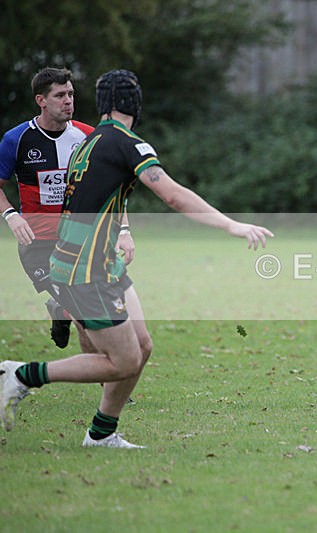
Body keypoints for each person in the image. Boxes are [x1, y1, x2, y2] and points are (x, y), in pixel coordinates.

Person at [0, 69, 273, 448]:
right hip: (83, 268)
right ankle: (21, 375)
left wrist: (120, 233)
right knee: (123, 360)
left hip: (99, 262)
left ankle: (101, 434)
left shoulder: (91, 140)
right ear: (134, 103)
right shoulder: (125, 143)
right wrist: (232, 226)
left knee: (141, 346)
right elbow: (173, 195)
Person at [0, 67, 135, 349]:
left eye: (71, 94)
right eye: (60, 95)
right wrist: (11, 216)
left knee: (88, 313)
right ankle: (108, 377)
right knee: (86, 312)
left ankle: (104, 374)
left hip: (81, 242)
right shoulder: (17, 140)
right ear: (41, 100)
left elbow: (113, 187)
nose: (68, 100)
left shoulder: (90, 137)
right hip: (38, 244)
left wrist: (124, 229)